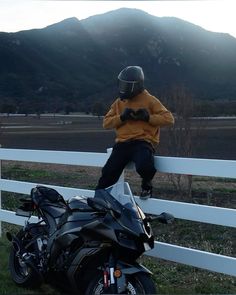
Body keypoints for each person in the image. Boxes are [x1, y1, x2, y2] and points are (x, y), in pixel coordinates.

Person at [95, 65, 174, 199]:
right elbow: (106, 123)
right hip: (122, 144)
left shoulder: (150, 100)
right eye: (122, 84)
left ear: (137, 85)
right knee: (109, 172)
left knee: (145, 165)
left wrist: (148, 117)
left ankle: (146, 184)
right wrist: (122, 117)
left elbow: (169, 119)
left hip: (142, 142)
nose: (123, 88)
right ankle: (98, 201)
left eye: (127, 85)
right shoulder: (119, 102)